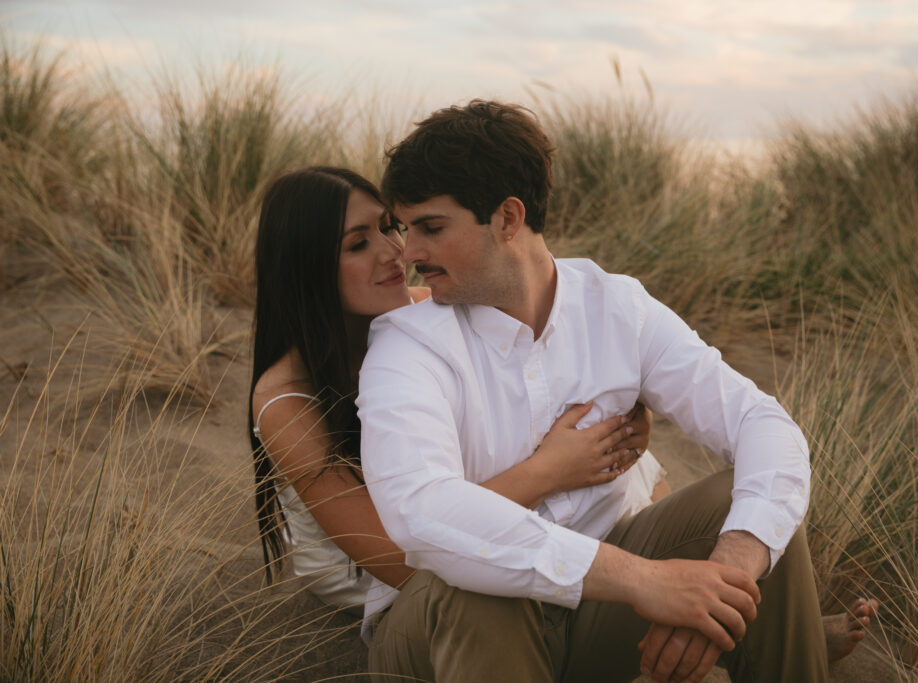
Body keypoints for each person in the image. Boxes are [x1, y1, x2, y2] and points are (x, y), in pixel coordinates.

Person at [357, 101, 878, 683]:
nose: (409, 253)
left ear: (508, 218)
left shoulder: (617, 308)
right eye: (407, 230)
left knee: (755, 511)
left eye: (431, 228)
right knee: (477, 579)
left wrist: (726, 574)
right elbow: (419, 512)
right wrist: (649, 582)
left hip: (590, 612)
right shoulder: (406, 346)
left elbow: (761, 422)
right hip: (436, 632)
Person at [246, 167, 666, 622]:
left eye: (389, 227)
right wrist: (550, 471)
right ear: (306, 267)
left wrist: (619, 425)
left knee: (640, 473)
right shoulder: (286, 398)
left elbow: (536, 379)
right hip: (373, 574)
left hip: (459, 504)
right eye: (357, 244)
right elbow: (393, 555)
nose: (395, 251)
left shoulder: (430, 305)